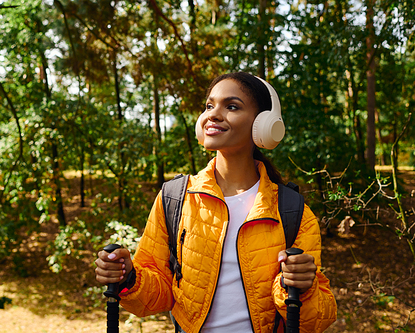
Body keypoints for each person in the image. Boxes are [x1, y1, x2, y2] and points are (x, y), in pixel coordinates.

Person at [95, 72, 337, 333]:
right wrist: (129, 276)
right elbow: (159, 296)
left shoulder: (292, 210)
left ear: (263, 124)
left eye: (231, 106)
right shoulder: (175, 197)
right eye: (210, 106)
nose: (213, 114)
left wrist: (303, 288)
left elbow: (315, 322)